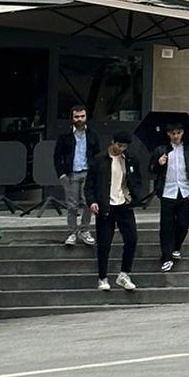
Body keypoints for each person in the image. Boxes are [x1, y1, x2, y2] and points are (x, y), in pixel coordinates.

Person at [86, 131, 146, 292]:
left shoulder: (130, 159)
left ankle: (124, 274)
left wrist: (135, 196)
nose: (121, 149)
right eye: (119, 145)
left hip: (124, 204)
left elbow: (137, 179)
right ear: (113, 142)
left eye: (124, 146)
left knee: (132, 239)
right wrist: (91, 202)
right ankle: (102, 277)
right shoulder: (99, 160)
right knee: (104, 243)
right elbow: (89, 184)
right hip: (105, 206)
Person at [151, 121, 189, 271]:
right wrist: (159, 163)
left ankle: (176, 246)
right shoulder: (161, 150)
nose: (176, 136)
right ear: (168, 134)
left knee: (184, 221)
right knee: (166, 225)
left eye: (178, 133)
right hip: (167, 191)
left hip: (185, 189)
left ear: (182, 133)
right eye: (173, 133)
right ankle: (166, 256)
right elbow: (152, 169)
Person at [55, 104, 99, 247]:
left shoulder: (92, 134)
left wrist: (96, 172)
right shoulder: (65, 136)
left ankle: (85, 230)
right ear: (72, 118)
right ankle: (72, 232)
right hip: (71, 173)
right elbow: (57, 155)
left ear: (86, 117)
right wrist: (61, 173)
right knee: (72, 206)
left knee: (89, 203)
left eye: (82, 116)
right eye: (76, 117)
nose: (79, 119)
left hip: (87, 172)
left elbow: (97, 154)